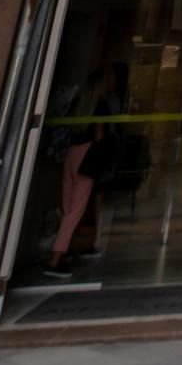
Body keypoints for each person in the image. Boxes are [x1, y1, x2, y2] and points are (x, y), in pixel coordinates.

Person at [44, 66, 118, 279]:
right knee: (76, 209)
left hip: (72, 153)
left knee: (68, 206)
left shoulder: (78, 103)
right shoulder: (101, 106)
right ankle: (55, 258)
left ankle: (64, 251)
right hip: (87, 156)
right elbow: (100, 136)